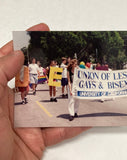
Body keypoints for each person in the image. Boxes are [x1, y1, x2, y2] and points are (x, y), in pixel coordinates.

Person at [0, 23, 89, 160]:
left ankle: (75, 112)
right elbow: (62, 74)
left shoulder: (77, 70)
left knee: (76, 101)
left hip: (74, 87)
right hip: (52, 82)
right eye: (74, 63)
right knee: (69, 99)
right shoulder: (37, 66)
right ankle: (71, 113)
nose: (75, 65)